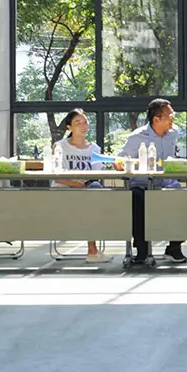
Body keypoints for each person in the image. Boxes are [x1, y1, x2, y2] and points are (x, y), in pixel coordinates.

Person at [118, 98, 184, 265]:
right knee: (137, 199)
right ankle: (142, 250)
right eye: (170, 115)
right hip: (141, 185)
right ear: (156, 119)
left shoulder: (174, 133)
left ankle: (174, 247)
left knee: (184, 197)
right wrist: (126, 164)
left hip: (167, 184)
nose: (173, 118)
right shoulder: (137, 137)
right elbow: (119, 161)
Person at [53, 108, 112, 264]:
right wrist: (76, 184)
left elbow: (96, 176)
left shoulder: (94, 149)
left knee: (95, 194)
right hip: (64, 191)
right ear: (69, 127)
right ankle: (92, 250)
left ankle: (93, 250)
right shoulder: (60, 146)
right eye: (78, 123)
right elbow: (56, 175)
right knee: (93, 200)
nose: (83, 126)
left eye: (85, 122)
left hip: (87, 192)